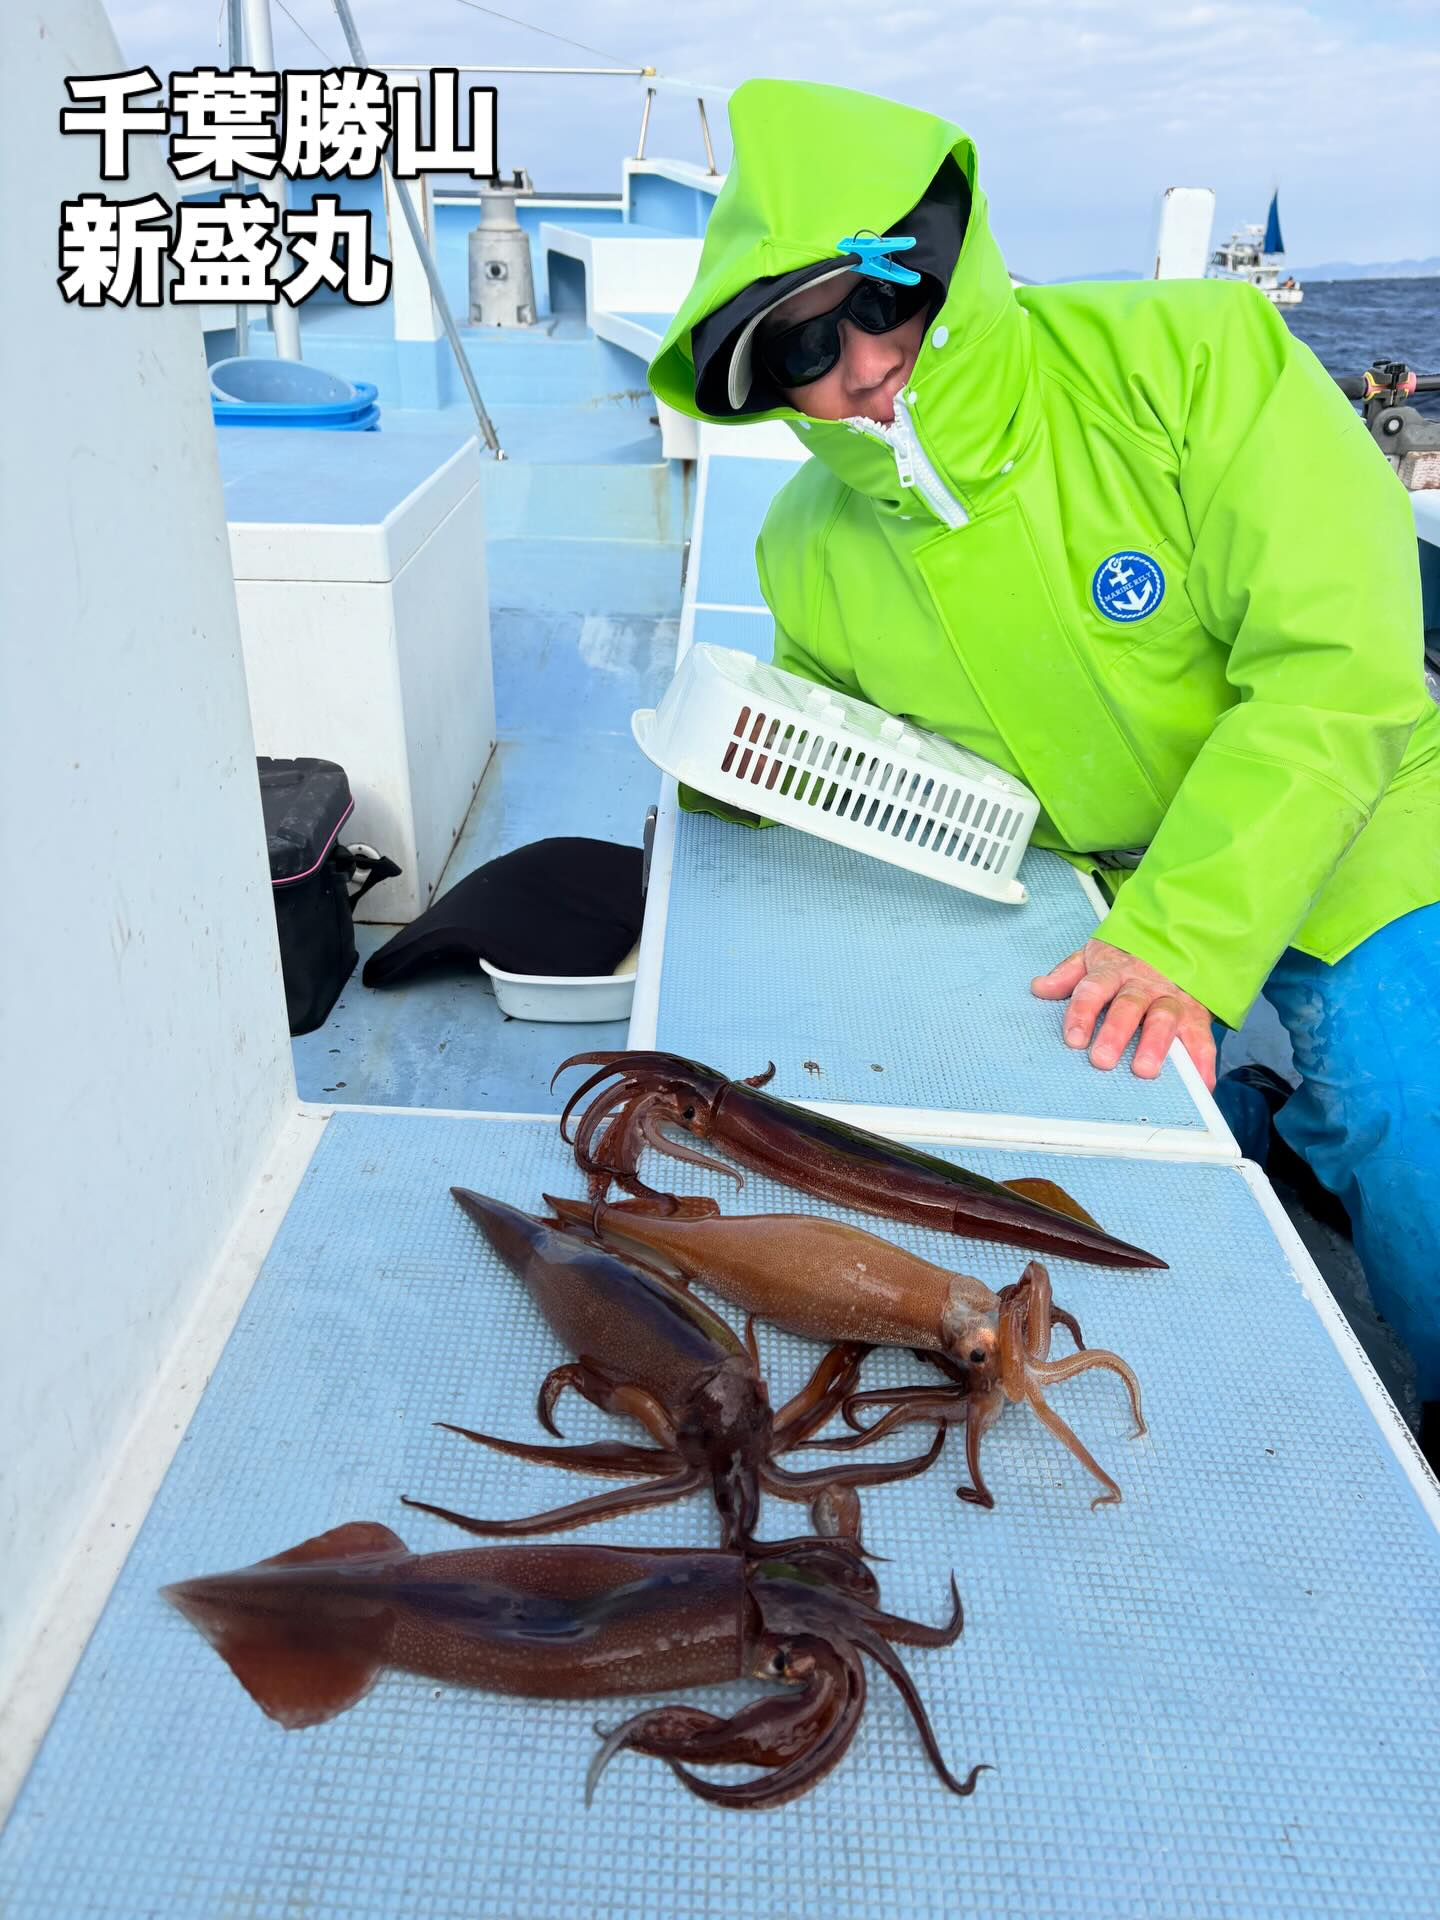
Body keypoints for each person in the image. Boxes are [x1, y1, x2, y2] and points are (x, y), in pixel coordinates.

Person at [649, 79, 1440, 1468]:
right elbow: (819, 747)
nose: (854, 362)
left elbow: (1343, 665)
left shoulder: (1194, 356)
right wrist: (708, 797)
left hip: (1374, 814)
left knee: (1408, 1119)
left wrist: (1187, 942)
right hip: (1092, 888)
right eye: (795, 351)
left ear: (943, 252)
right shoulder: (807, 546)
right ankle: (1273, 1119)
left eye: (872, 296)